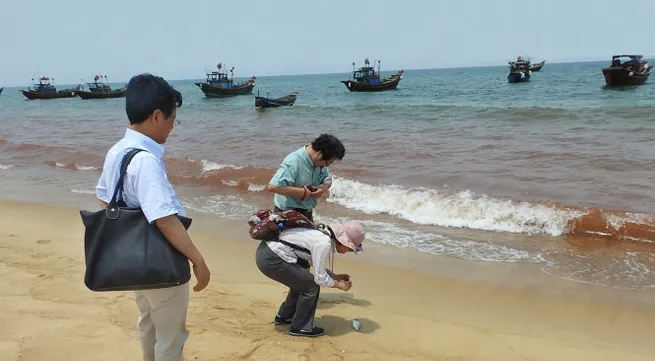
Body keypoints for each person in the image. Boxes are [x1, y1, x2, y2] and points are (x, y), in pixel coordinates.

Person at [95, 73, 211, 361]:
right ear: (158, 116)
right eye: (173, 118)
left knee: (148, 322)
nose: (173, 126)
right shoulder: (145, 160)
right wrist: (198, 260)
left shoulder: (117, 151)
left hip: (135, 259)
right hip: (161, 261)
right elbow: (164, 219)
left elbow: (104, 198)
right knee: (171, 337)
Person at [255, 221, 365, 337]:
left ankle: (285, 316)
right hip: (271, 258)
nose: (349, 252)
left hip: (267, 252)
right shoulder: (324, 243)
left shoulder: (323, 233)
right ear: (344, 242)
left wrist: (334, 276)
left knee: (303, 281)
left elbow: (312, 260)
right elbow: (320, 279)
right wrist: (340, 285)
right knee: (311, 286)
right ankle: (301, 328)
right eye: (351, 249)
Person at [266, 133, 346, 222]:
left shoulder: (320, 162)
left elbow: (327, 178)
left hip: (307, 212)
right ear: (319, 154)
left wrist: (322, 188)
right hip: (286, 214)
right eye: (329, 162)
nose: (327, 166)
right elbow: (273, 187)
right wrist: (302, 192)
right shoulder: (294, 161)